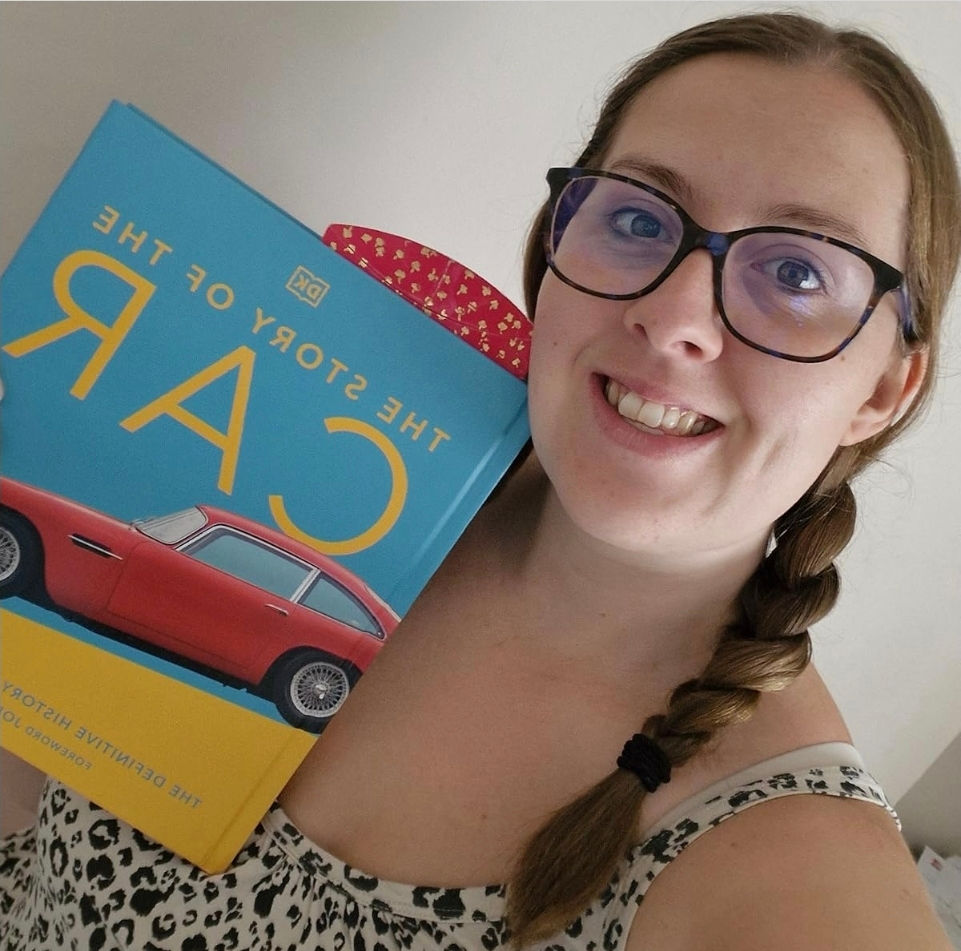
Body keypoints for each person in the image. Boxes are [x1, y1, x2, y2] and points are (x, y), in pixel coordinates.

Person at [1, 11, 959, 950]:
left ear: (882, 385)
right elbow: (43, 811)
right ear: (554, 250)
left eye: (795, 273)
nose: (674, 320)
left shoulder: (796, 877)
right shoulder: (322, 463)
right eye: (635, 216)